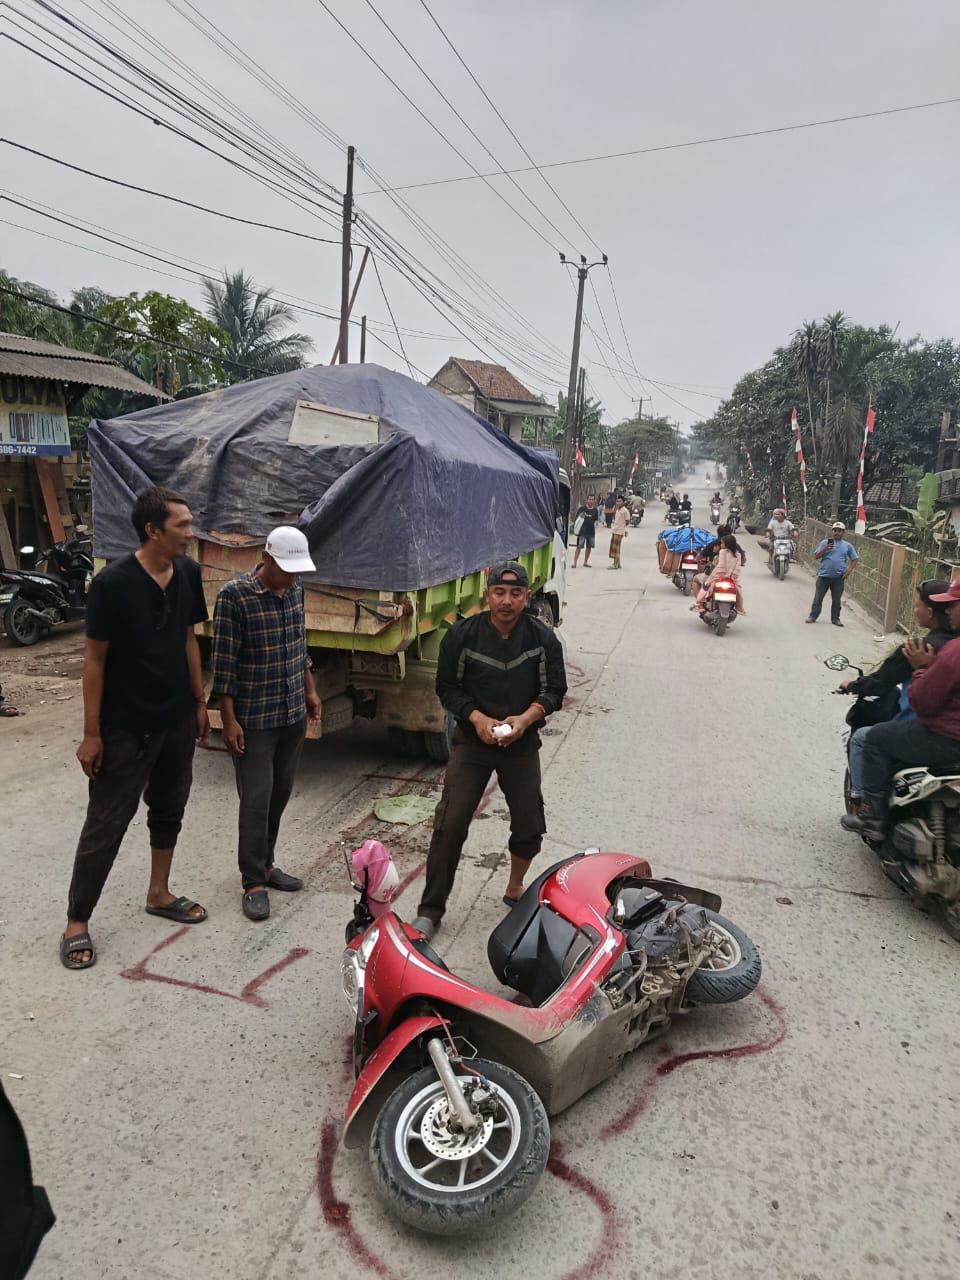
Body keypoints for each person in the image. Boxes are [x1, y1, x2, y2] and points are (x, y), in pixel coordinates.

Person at [60, 486, 210, 971]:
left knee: (169, 807)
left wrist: (198, 701)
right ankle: (77, 921)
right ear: (153, 531)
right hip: (125, 726)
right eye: (182, 526)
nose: (191, 533)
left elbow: (188, 637)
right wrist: (91, 733)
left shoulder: (187, 572)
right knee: (106, 821)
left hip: (175, 720)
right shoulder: (113, 583)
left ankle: (158, 892)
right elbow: (94, 660)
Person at [412, 562, 567, 939]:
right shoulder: (462, 636)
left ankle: (515, 885)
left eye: (516, 594)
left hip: (521, 742)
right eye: (500, 592)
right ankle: (430, 910)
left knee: (530, 823)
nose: (507, 601)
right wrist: (478, 719)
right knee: (449, 823)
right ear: (487, 595)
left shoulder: (542, 639)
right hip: (472, 742)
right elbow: (447, 688)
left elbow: (554, 691)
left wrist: (525, 720)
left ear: (527, 597)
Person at [212, 526, 322, 921]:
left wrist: (310, 691)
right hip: (254, 718)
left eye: (297, 571)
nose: (292, 577)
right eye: (286, 569)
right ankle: (252, 881)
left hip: (291, 711)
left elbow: (300, 645)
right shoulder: (234, 597)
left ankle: (267, 863)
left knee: (279, 792)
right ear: (267, 557)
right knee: (256, 799)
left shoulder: (295, 591)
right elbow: (224, 667)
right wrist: (229, 721)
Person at [846, 579, 960, 839]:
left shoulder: (938, 650)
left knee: (872, 738)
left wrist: (922, 668)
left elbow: (923, 702)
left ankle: (871, 820)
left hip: (945, 739)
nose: (950, 611)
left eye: (954, 605)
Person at [806, 521, 857, 626]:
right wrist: (825, 549)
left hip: (839, 577)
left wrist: (848, 571)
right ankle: (813, 616)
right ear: (832, 531)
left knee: (836, 600)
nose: (837, 533)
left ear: (843, 533)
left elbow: (855, 559)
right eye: (835, 530)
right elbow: (816, 556)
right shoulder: (825, 542)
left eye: (840, 531)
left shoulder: (847, 546)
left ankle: (835, 619)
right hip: (823, 576)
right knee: (818, 598)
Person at [697, 534, 746, 614]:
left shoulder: (722, 552)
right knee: (738, 591)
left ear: (727, 545)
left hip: (719, 576)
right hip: (732, 578)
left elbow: (721, 565)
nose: (721, 545)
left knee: (706, 586)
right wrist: (733, 577)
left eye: (722, 543)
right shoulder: (738, 555)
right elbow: (737, 568)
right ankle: (739, 608)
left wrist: (720, 576)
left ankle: (700, 605)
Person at [571, 493, 600, 568]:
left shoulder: (595, 510)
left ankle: (585, 562)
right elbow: (577, 519)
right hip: (582, 531)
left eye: (592, 499)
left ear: (594, 501)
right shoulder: (582, 509)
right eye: (589, 499)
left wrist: (597, 524)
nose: (591, 501)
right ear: (587, 500)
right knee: (579, 547)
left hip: (591, 532)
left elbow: (596, 521)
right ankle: (575, 562)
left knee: (589, 547)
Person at [609, 496, 630, 569]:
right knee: (615, 548)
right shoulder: (617, 510)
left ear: (623, 502)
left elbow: (627, 521)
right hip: (615, 530)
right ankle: (618, 563)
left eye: (620, 501)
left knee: (616, 548)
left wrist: (623, 528)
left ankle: (615, 564)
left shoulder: (625, 511)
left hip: (619, 532)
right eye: (617, 501)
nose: (618, 503)